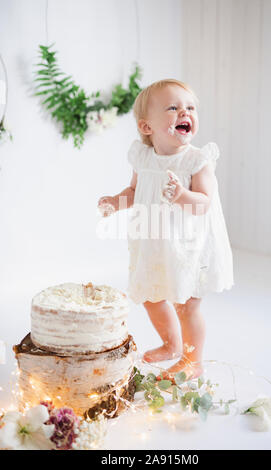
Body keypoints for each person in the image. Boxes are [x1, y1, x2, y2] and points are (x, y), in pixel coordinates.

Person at [98, 79, 234, 381]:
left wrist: (182, 196)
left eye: (190, 107)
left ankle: (192, 360)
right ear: (147, 127)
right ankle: (171, 344)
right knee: (151, 295)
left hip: (188, 245)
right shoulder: (143, 157)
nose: (184, 112)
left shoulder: (196, 161)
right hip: (153, 242)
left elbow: (203, 204)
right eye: (172, 107)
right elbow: (134, 191)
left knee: (187, 304)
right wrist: (115, 203)